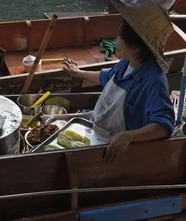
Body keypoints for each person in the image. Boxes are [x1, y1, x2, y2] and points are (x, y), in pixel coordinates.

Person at [62, 23, 174, 163]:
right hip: (97, 130)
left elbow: (163, 125)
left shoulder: (154, 80)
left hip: (118, 150)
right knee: (55, 121)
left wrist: (128, 136)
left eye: (119, 37)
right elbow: (106, 77)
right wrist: (79, 73)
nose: (115, 41)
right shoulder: (125, 63)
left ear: (135, 46)